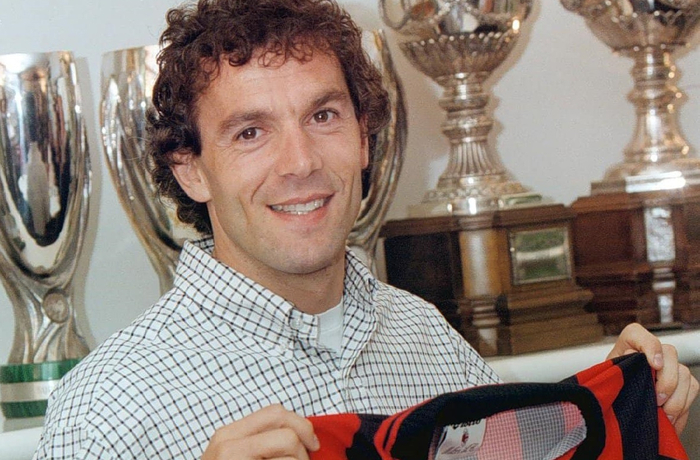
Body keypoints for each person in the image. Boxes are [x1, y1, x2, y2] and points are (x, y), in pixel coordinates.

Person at [35, 0, 699, 459]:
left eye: (323, 116)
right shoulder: (107, 411)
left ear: (363, 137)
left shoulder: (432, 344)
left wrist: (613, 416)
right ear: (191, 171)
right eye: (251, 132)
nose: (300, 162)